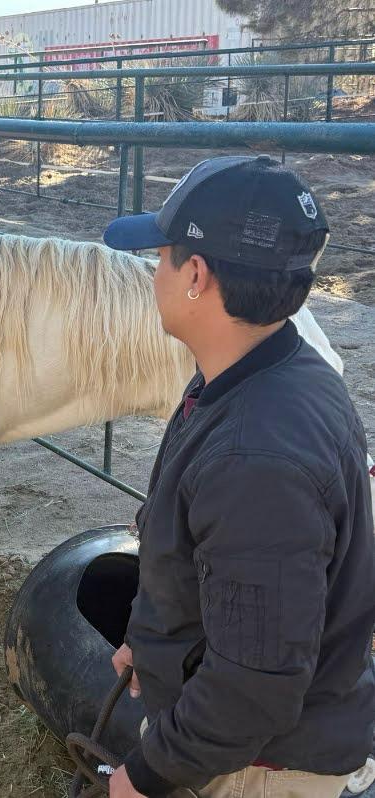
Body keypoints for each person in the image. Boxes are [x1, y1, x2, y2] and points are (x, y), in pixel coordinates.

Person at [100, 155, 375, 798]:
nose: (154, 273)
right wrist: (150, 639)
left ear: (195, 273)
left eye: (162, 255)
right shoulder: (275, 370)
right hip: (245, 741)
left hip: (256, 768)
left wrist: (143, 777)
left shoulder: (256, 461)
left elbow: (253, 690)